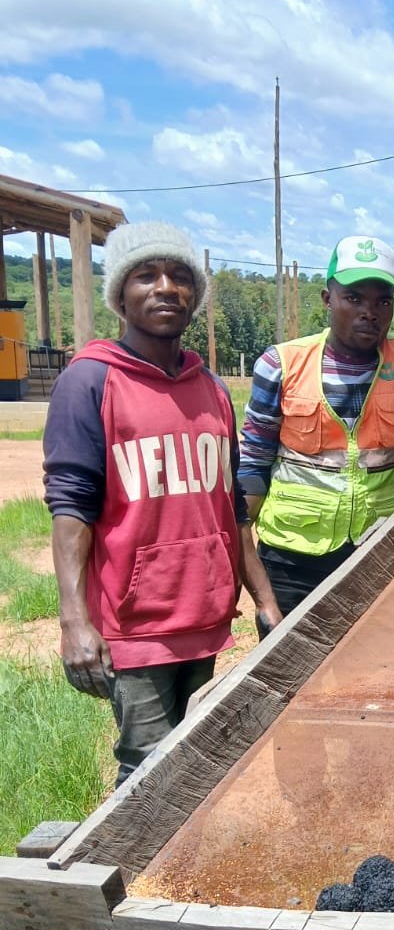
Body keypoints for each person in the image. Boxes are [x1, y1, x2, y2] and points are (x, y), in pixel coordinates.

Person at [43, 222, 282, 786]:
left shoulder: (213, 391)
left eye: (178, 276)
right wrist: (75, 621)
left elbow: (233, 508)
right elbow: (70, 507)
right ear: (120, 295)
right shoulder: (90, 382)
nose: (165, 288)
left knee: (200, 763)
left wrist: (264, 600)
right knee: (148, 774)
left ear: (195, 295)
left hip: (204, 614)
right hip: (135, 625)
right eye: (145, 275)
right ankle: (131, 875)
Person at [238, 235, 394, 616]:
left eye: (383, 300)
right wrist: (240, 560)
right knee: (289, 671)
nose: (370, 311)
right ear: (328, 298)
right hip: (292, 559)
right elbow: (253, 465)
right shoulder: (280, 365)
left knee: (370, 661)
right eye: (354, 298)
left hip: (375, 552)